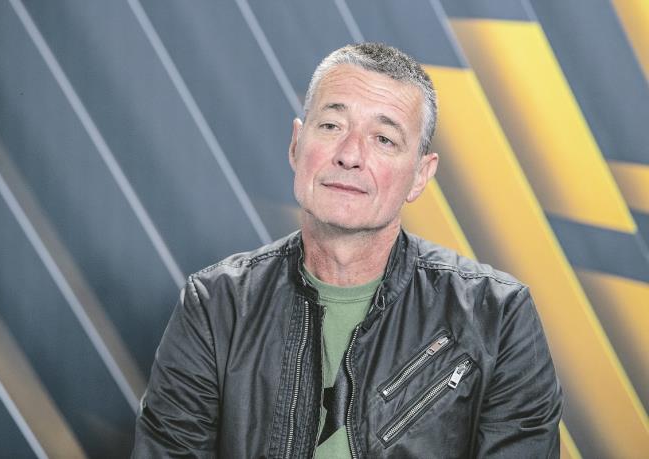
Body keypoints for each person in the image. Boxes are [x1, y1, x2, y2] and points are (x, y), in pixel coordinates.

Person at [132, 43, 562, 458]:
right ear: (296, 145)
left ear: (420, 175)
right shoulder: (216, 305)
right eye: (331, 126)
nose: (350, 155)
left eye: (384, 139)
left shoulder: (497, 315)